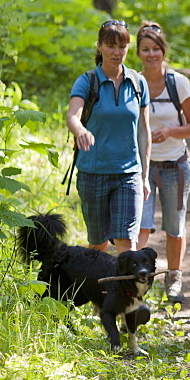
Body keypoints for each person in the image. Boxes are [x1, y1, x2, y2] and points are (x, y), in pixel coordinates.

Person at [66, 19, 151, 253]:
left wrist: (144, 175)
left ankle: (126, 290)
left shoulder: (137, 83)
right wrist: (80, 130)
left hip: (128, 174)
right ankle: (99, 290)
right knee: (98, 244)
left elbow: (144, 131)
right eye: (111, 45)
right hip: (93, 173)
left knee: (127, 243)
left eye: (122, 46)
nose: (117, 52)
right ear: (99, 46)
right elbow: (72, 115)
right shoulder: (88, 81)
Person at [134, 21, 190, 304]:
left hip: (175, 166)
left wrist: (171, 131)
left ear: (164, 51)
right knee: (142, 226)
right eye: (145, 49)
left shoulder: (178, 83)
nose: (151, 55)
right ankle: (138, 281)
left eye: (156, 49)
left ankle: (174, 279)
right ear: (137, 52)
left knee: (174, 227)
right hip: (144, 168)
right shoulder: (133, 82)